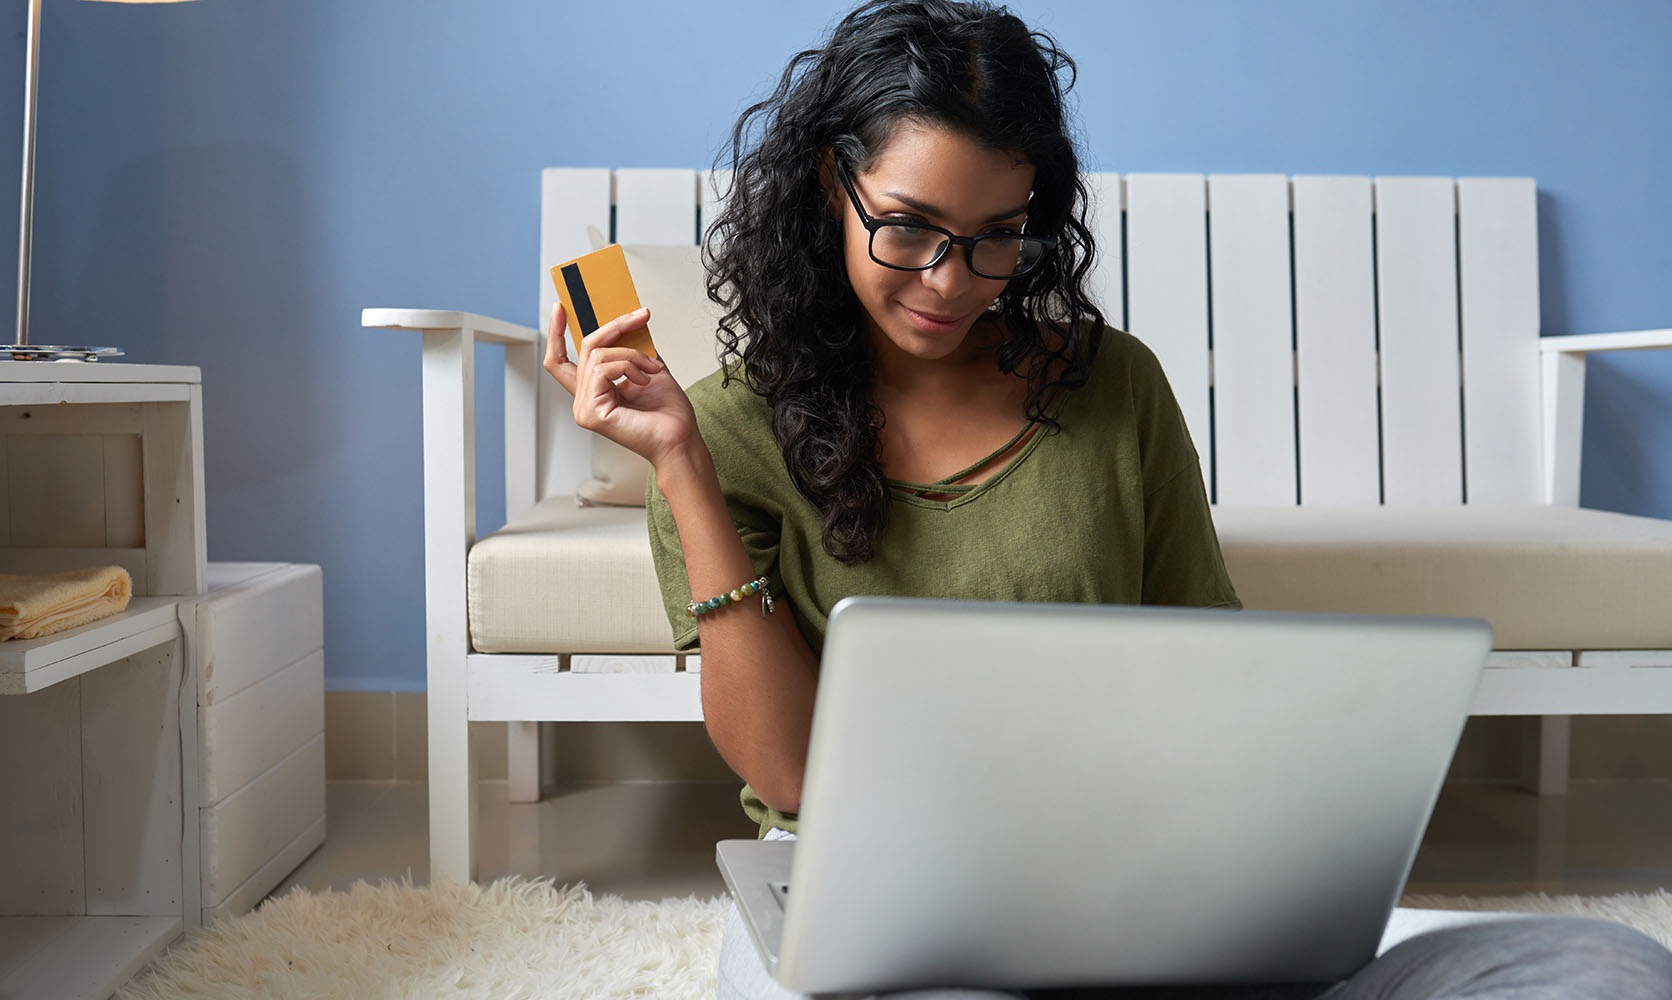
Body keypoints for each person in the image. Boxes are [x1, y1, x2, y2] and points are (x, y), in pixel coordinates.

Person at [543, 2, 1672, 997]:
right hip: (869, 922)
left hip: (1142, 886)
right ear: (826, 183)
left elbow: (1211, 662)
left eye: (994, 240)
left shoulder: (1110, 383)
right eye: (908, 226)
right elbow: (786, 774)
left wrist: (1253, 864)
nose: (948, 281)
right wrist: (681, 468)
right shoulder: (720, 433)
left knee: (1608, 969)